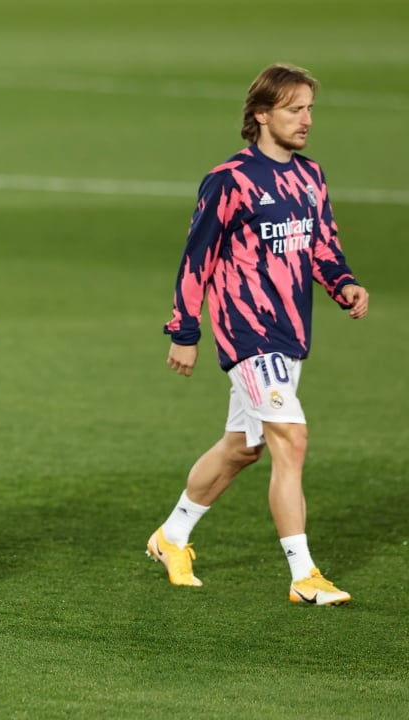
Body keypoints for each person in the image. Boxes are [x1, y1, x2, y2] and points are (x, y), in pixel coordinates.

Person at [148, 63, 368, 605]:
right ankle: (304, 575)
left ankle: (170, 537)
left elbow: (322, 245)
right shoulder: (229, 180)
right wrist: (184, 329)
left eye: (310, 108)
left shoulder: (310, 176)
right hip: (249, 337)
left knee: (241, 449)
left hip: (291, 336)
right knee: (291, 439)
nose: (307, 120)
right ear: (261, 114)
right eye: (295, 109)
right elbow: (195, 258)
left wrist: (343, 285)